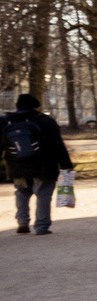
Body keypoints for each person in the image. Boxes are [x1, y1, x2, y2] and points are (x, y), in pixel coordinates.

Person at [7, 93, 72, 236]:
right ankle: (41, 226)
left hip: (16, 166)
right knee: (43, 194)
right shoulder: (46, 121)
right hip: (43, 165)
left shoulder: (7, 121)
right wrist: (66, 164)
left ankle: (22, 222)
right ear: (36, 107)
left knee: (22, 193)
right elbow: (58, 144)